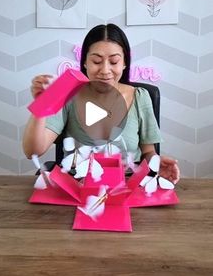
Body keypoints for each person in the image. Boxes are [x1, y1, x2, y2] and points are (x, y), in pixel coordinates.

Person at [23, 23, 180, 184]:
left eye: (114, 62)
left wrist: (155, 163)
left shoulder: (140, 97)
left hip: (127, 186)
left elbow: (148, 151)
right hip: (78, 186)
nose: (105, 70)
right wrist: (41, 105)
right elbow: (32, 151)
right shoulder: (68, 94)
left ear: (124, 63)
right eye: (97, 61)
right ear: (84, 62)